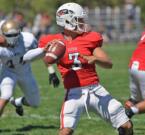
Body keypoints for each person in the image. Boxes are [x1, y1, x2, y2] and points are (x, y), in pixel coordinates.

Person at [24, 2, 133, 135]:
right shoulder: (53, 41)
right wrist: (43, 50)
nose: (82, 23)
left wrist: (96, 59)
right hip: (73, 93)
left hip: (96, 90)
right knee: (65, 132)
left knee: (126, 125)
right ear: (67, 21)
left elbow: (109, 63)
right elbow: (26, 58)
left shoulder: (89, 38)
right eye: (78, 20)